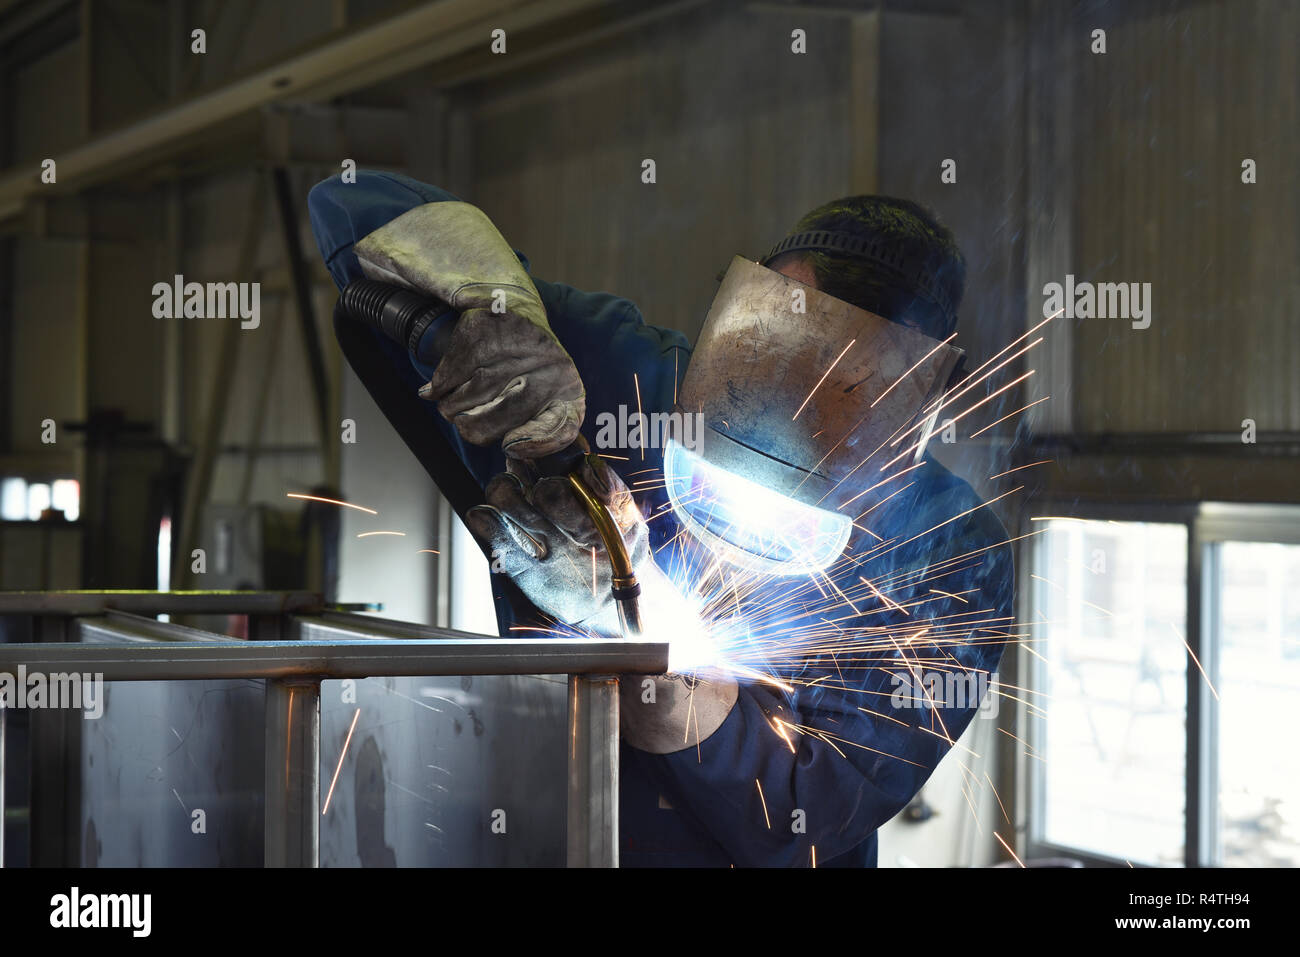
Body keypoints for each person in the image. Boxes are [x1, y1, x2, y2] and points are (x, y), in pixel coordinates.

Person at [309, 171, 1014, 866]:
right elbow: (349, 203)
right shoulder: (622, 379)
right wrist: (501, 316)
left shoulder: (951, 552)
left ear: (916, 403)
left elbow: (809, 811)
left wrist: (634, 625)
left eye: (840, 386)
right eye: (783, 341)